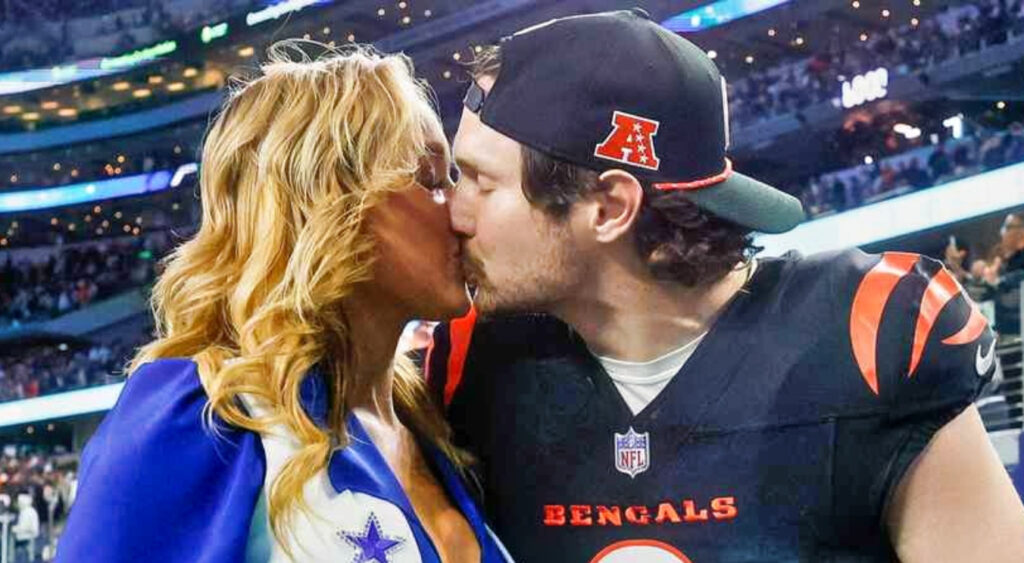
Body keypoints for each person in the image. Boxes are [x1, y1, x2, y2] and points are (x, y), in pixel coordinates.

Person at [428, 9, 1024, 562]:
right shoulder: (469, 365)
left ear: (609, 208)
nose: (455, 211)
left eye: (480, 180)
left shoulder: (868, 339)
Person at [56, 42, 510, 562]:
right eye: (431, 179)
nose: (461, 211)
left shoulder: (438, 422)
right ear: (328, 204)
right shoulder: (205, 416)